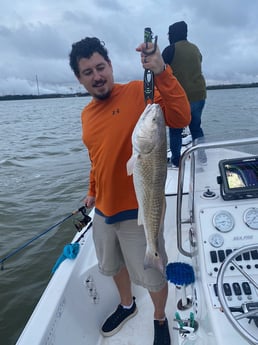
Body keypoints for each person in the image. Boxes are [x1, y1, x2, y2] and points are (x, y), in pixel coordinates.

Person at [69, 36, 190, 345]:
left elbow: (180, 116)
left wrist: (161, 69)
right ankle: (127, 304)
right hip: (104, 211)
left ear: (110, 66)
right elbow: (96, 158)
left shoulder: (140, 93)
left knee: (152, 272)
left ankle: (159, 317)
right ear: (79, 79)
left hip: (140, 209)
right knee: (112, 266)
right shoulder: (86, 116)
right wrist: (92, 189)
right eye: (88, 72)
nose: (97, 76)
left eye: (100, 67)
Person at [162, 20, 207, 167]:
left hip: (179, 98)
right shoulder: (196, 48)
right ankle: (202, 156)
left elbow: (160, 71)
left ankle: (176, 160)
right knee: (196, 126)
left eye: (169, 34)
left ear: (173, 34)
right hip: (199, 94)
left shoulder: (170, 50)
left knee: (175, 130)